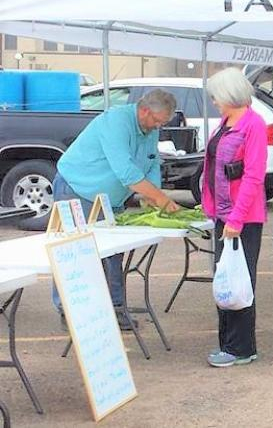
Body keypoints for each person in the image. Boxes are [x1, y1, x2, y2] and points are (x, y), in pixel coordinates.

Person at [52, 88, 180, 329]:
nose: (157, 127)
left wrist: (152, 194)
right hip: (78, 189)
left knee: (113, 253)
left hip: (111, 199)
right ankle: (70, 311)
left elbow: (152, 164)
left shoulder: (150, 128)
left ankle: (115, 309)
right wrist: (160, 199)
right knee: (76, 253)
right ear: (144, 110)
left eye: (162, 123)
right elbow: (126, 172)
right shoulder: (116, 122)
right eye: (156, 121)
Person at [201, 69, 268, 368]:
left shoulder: (253, 124)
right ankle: (230, 344)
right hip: (223, 215)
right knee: (225, 279)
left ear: (229, 95)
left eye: (216, 95)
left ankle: (239, 348)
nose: (213, 101)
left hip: (241, 218)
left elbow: (254, 175)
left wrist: (236, 218)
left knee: (238, 281)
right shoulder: (227, 121)